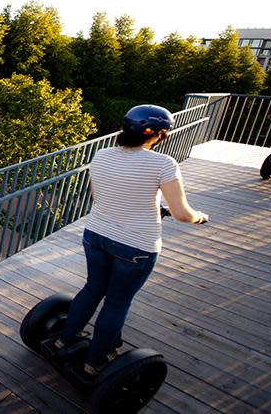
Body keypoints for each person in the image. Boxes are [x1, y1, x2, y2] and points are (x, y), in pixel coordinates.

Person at [53, 104, 208, 377]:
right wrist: (199, 217)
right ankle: (94, 361)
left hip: (96, 235)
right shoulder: (163, 164)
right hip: (136, 247)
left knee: (92, 288)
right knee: (116, 301)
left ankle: (63, 339)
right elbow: (182, 214)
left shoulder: (101, 155)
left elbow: (102, 195)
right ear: (160, 134)